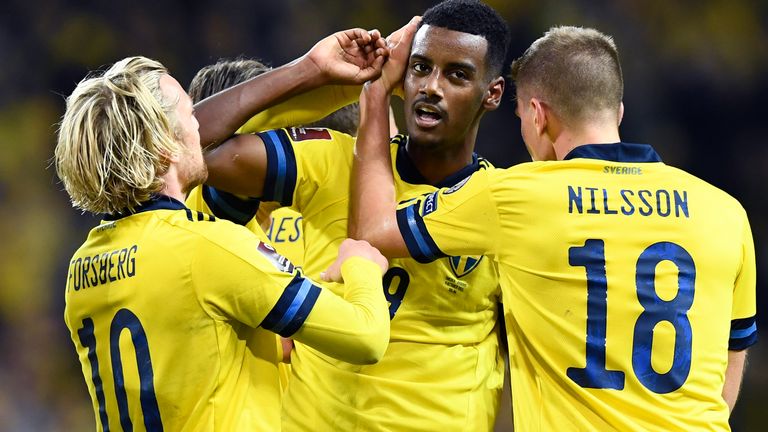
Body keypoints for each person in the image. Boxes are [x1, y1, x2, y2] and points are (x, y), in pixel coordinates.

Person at [350, 25, 758, 430]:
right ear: (617, 112)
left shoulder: (515, 196)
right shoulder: (726, 212)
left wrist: (376, 90)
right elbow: (732, 353)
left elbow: (373, 230)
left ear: (537, 114)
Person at [191, 1, 511, 430]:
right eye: (419, 68)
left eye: (456, 75)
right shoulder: (330, 161)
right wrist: (315, 71)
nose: (431, 87)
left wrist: (374, 96)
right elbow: (191, 149)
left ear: (492, 93)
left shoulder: (505, 205)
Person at [55, 27, 394, 431]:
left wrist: (313, 70)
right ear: (166, 145)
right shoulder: (209, 249)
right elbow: (365, 336)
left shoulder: (81, 270)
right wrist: (362, 263)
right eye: (188, 114)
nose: (201, 126)